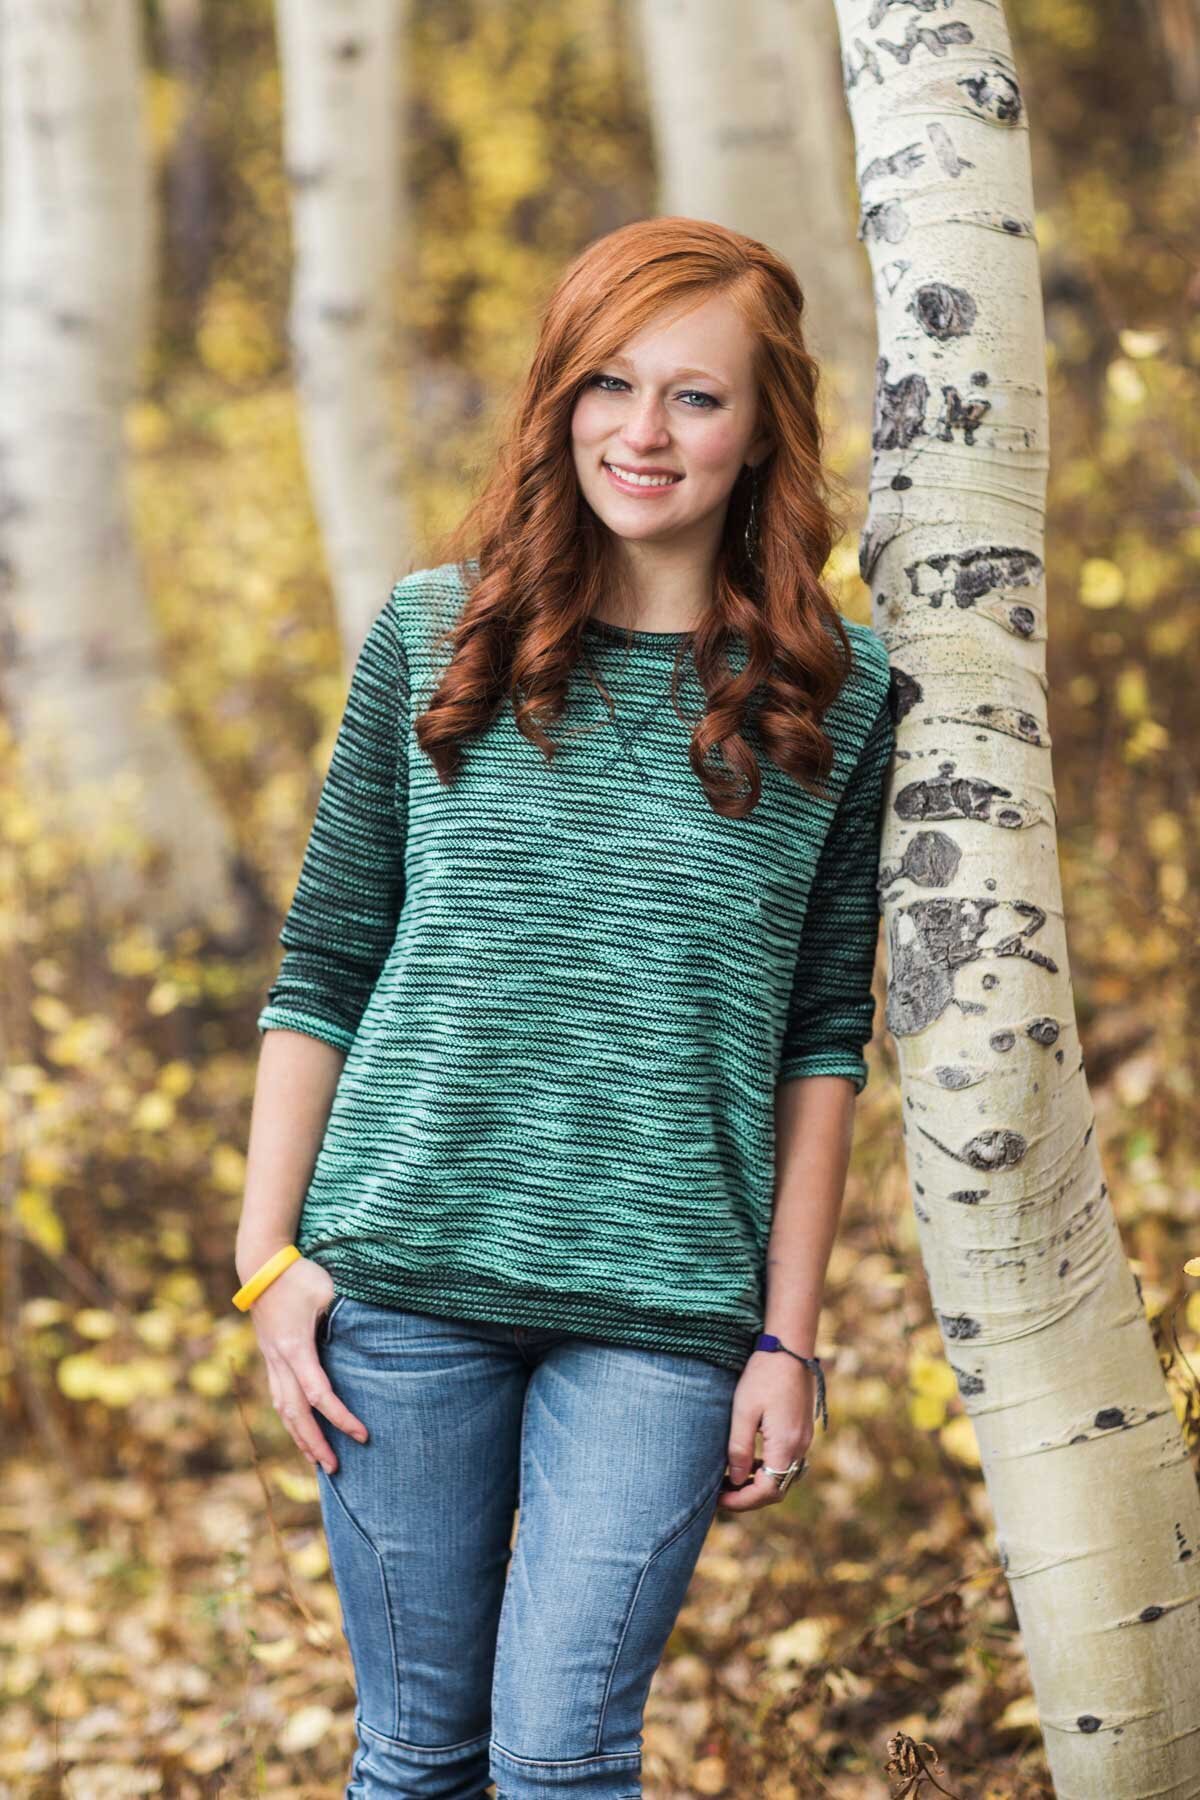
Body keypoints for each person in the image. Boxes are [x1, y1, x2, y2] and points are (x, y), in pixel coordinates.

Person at [234, 215, 896, 1799]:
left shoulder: (839, 698)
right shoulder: (430, 636)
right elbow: (325, 963)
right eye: (608, 385)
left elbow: (822, 1041)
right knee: (414, 1758)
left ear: (764, 431)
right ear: (556, 401)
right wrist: (267, 1265)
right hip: (400, 1291)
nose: (644, 434)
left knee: (559, 1757)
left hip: (664, 1313)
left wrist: (786, 1343)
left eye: (696, 397)